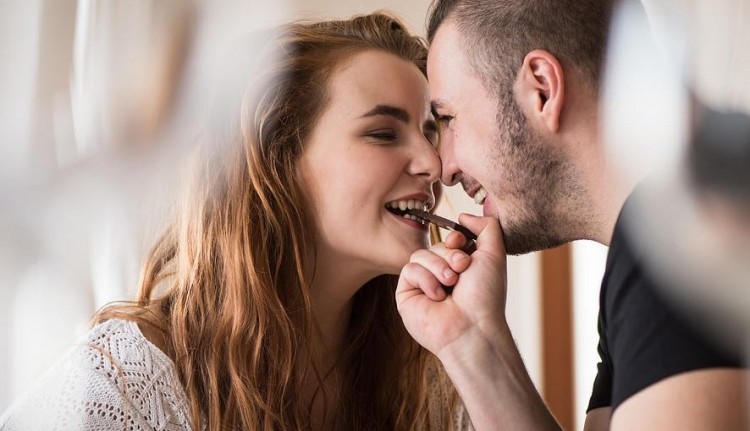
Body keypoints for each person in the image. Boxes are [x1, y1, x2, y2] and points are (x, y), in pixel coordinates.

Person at [0, 12, 472, 430]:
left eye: (431, 132)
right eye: (383, 133)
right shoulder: (121, 387)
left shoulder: (425, 382)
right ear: (275, 162)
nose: (434, 162)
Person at [395, 0, 748, 430]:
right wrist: (472, 339)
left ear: (542, 89)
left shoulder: (690, 233)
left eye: (448, 118)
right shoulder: (661, 235)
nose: (444, 168)